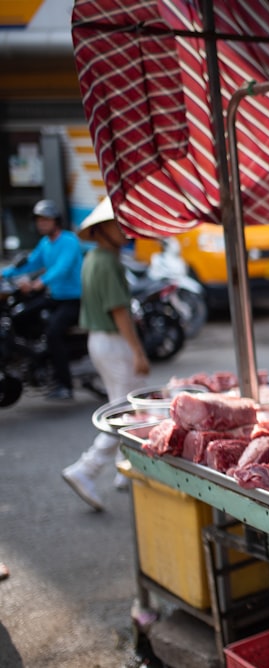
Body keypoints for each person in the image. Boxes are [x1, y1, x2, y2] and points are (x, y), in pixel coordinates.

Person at [61, 198, 150, 511]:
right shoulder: (107, 262)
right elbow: (119, 312)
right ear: (101, 230)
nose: (125, 229)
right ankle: (86, 468)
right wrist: (138, 351)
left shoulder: (95, 258)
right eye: (118, 223)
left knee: (119, 405)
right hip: (113, 341)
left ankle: (124, 471)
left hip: (100, 341)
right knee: (124, 412)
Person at [0, 199, 83, 400]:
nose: (41, 224)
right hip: (53, 297)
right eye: (39, 220)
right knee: (19, 316)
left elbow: (61, 269)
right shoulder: (45, 244)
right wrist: (4, 273)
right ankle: (34, 359)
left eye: (45, 220)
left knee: (53, 332)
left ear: (56, 221)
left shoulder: (69, 241)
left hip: (73, 299)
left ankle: (65, 385)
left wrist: (40, 282)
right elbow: (28, 264)